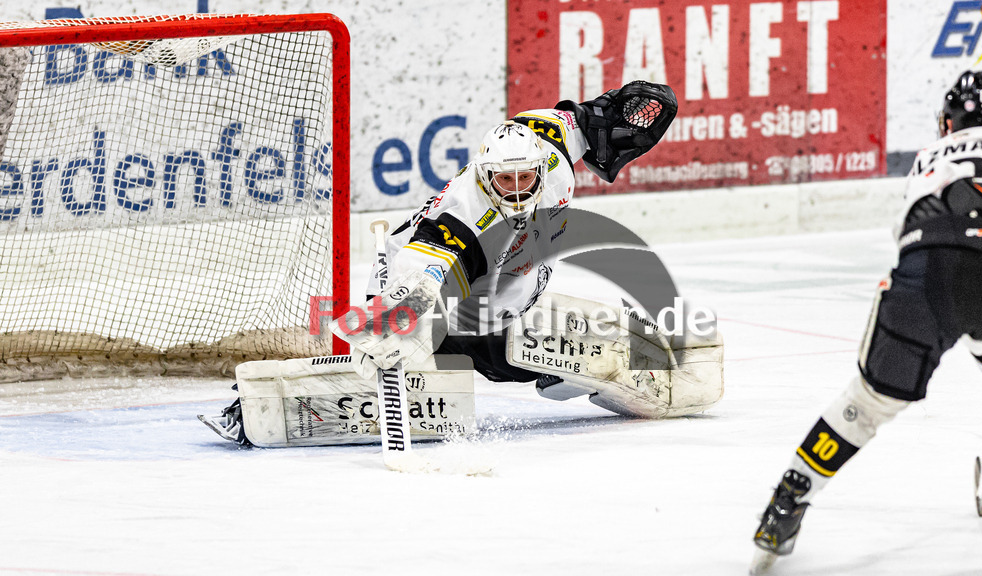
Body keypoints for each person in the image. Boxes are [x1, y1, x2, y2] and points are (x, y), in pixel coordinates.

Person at [200, 80, 727, 447]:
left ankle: (567, 369)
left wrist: (618, 115)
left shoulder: (545, 142)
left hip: (512, 287)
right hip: (441, 298)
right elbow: (427, 271)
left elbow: (590, 119)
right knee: (440, 370)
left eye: (526, 179)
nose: (518, 190)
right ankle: (266, 406)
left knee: (552, 338)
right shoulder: (462, 221)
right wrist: (402, 324)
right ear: (484, 175)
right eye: (505, 181)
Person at [751, 69, 982, 572]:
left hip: (929, 262)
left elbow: (956, 273)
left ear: (949, 121)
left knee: (869, 402)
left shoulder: (930, 158)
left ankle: (788, 500)